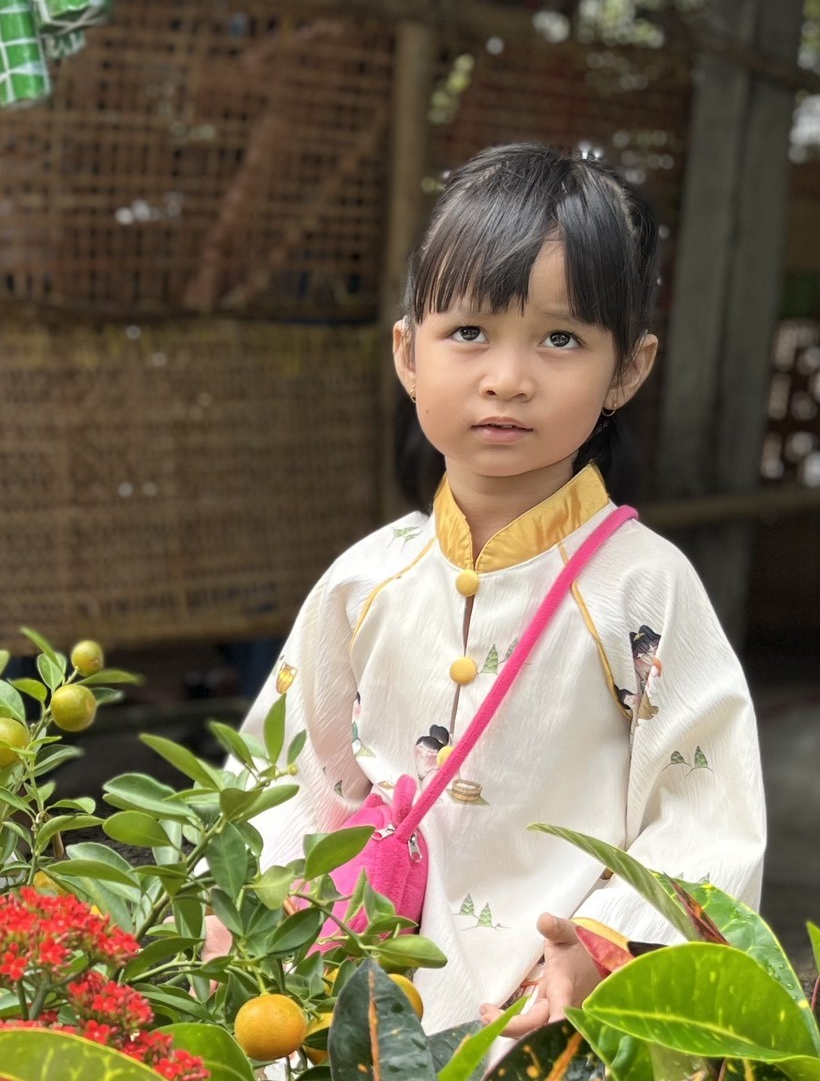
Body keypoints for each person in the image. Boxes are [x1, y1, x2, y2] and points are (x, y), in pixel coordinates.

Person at [251, 144, 766, 1034]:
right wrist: (253, 930)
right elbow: (289, 774)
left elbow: (706, 810)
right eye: (470, 333)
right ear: (410, 353)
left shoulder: (644, 590)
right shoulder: (365, 579)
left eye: (561, 339)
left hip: (545, 1014)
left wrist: (608, 945)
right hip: (353, 1006)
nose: (508, 377)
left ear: (629, 370)